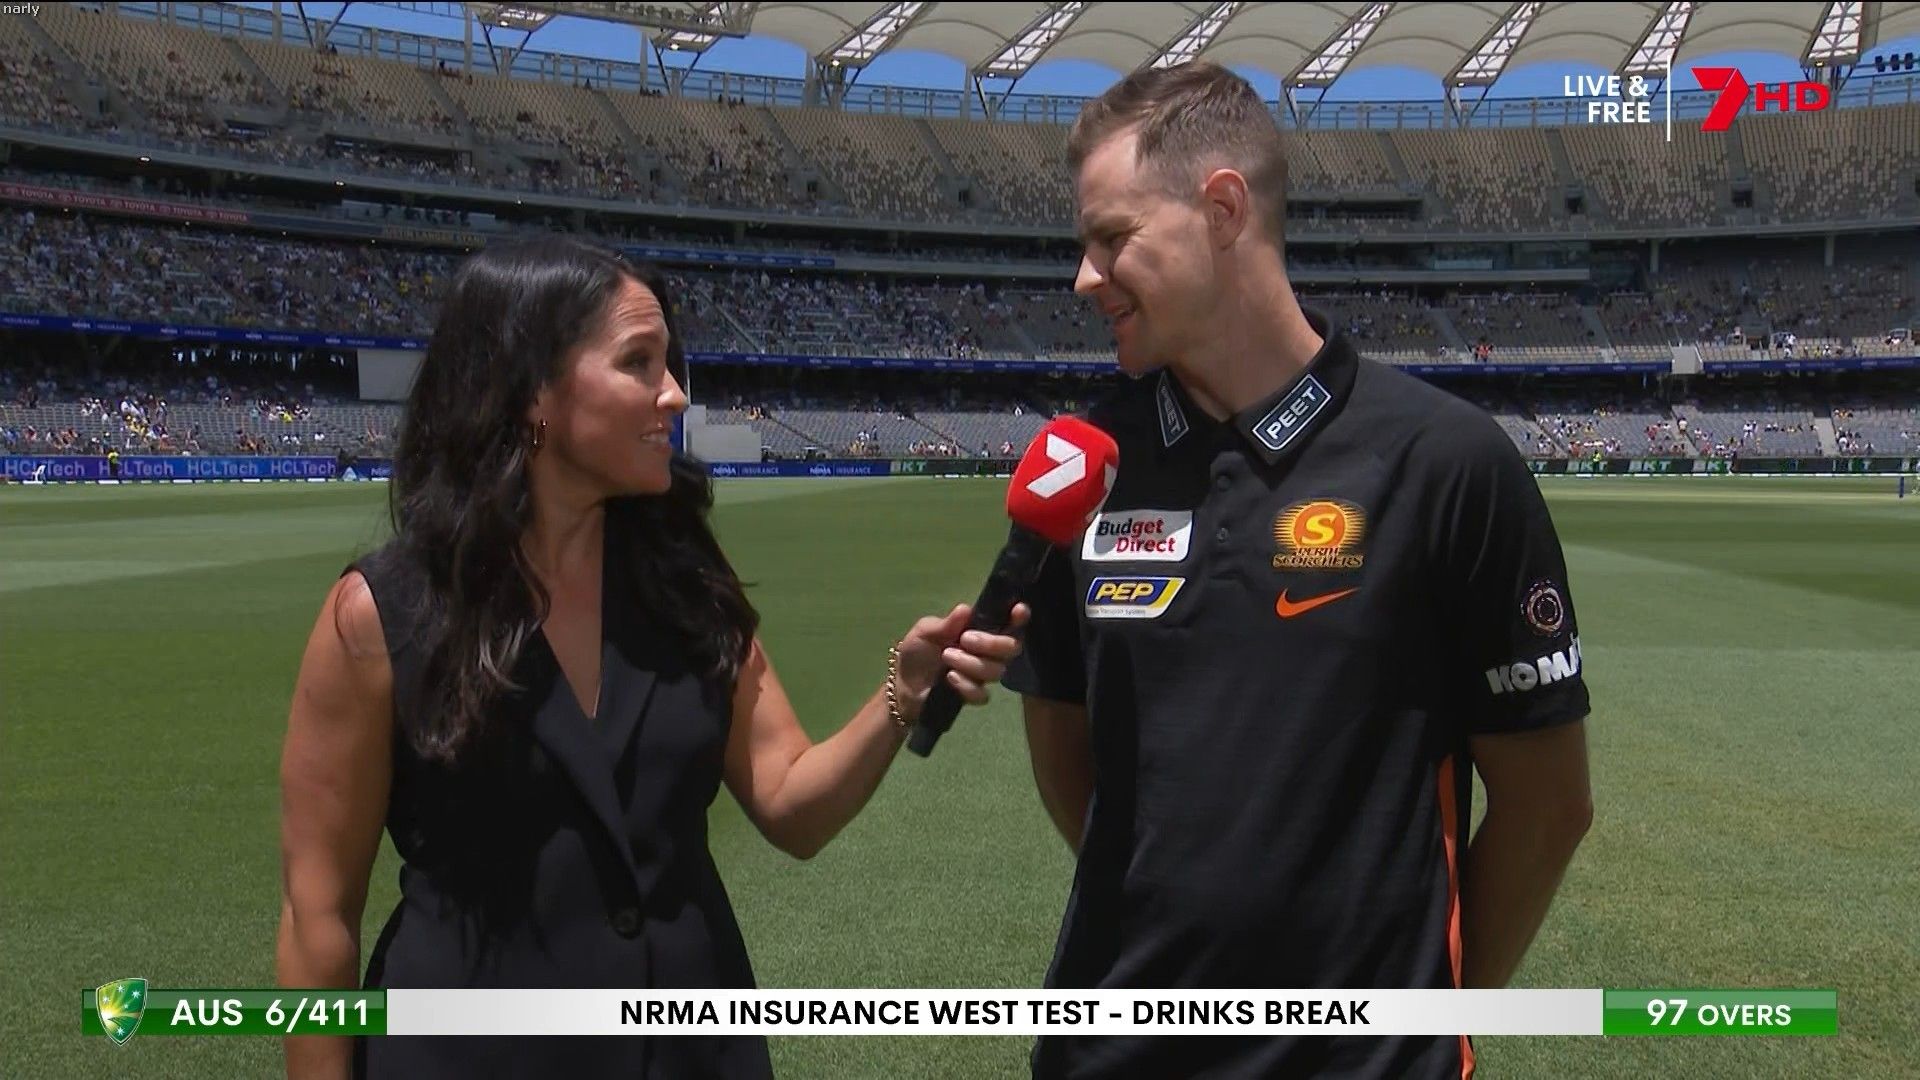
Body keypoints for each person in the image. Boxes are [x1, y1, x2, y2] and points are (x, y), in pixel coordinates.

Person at [276, 237, 1027, 1079]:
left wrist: (903, 693)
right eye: (637, 362)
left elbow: (791, 803)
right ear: (531, 391)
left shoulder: (685, 585)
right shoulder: (380, 616)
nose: (674, 393)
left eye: (669, 362)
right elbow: (317, 920)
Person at [1003, 63, 1593, 1079]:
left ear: (1222, 209)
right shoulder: (1084, 462)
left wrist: (1412, 1027)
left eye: (1112, 238)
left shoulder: (1445, 462)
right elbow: (1065, 753)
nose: (1085, 280)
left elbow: (1547, 807)